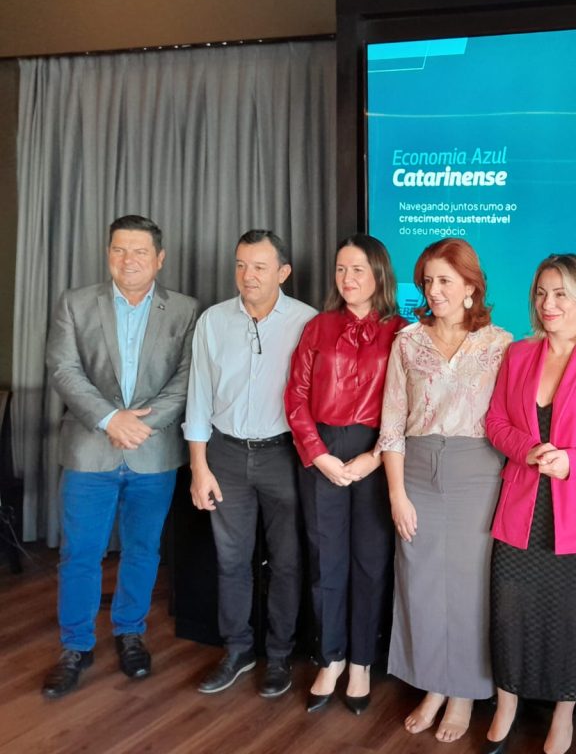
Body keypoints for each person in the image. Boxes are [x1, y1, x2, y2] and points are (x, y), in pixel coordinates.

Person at [42, 214, 198, 698]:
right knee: (80, 553)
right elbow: (63, 369)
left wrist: (140, 425)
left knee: (143, 550)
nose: (128, 260)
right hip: (90, 449)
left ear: (159, 258)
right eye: (119, 250)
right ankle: (76, 646)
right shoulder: (75, 303)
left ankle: (130, 633)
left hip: (153, 452)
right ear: (108, 253)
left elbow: (189, 378)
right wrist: (111, 419)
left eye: (139, 251)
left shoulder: (186, 310)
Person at [483, 254, 576, 754]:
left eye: (561, 294)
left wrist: (572, 462)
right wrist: (527, 450)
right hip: (521, 507)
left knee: (574, 617)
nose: (549, 303)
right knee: (511, 612)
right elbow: (496, 423)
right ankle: (506, 704)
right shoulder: (518, 354)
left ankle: (563, 715)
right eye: (542, 293)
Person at [376, 238, 512, 744]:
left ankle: (463, 693)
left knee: (470, 587)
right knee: (421, 582)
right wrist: (396, 494)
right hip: (415, 471)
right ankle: (432, 684)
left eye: (445, 281)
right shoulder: (407, 342)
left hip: (478, 472)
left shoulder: (500, 344)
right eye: (428, 281)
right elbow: (392, 425)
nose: (434, 290)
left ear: (471, 286)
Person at [185, 229, 317, 698]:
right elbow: (198, 396)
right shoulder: (213, 321)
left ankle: (279, 656)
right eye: (241, 265)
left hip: (285, 455)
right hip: (224, 454)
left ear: (283, 272)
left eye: (260, 266)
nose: (248, 276)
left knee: (287, 562)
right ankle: (237, 650)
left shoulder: (307, 322)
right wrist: (199, 467)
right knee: (231, 560)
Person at [284, 234, 407, 713]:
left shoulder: (402, 332)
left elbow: (409, 406)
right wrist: (318, 454)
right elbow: (296, 396)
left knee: (371, 563)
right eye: (340, 269)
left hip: (379, 454)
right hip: (323, 452)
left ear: (379, 274)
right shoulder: (318, 327)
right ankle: (330, 657)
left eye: (357, 269)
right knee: (326, 561)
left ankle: (361, 662)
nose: (347, 278)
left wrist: (375, 455)